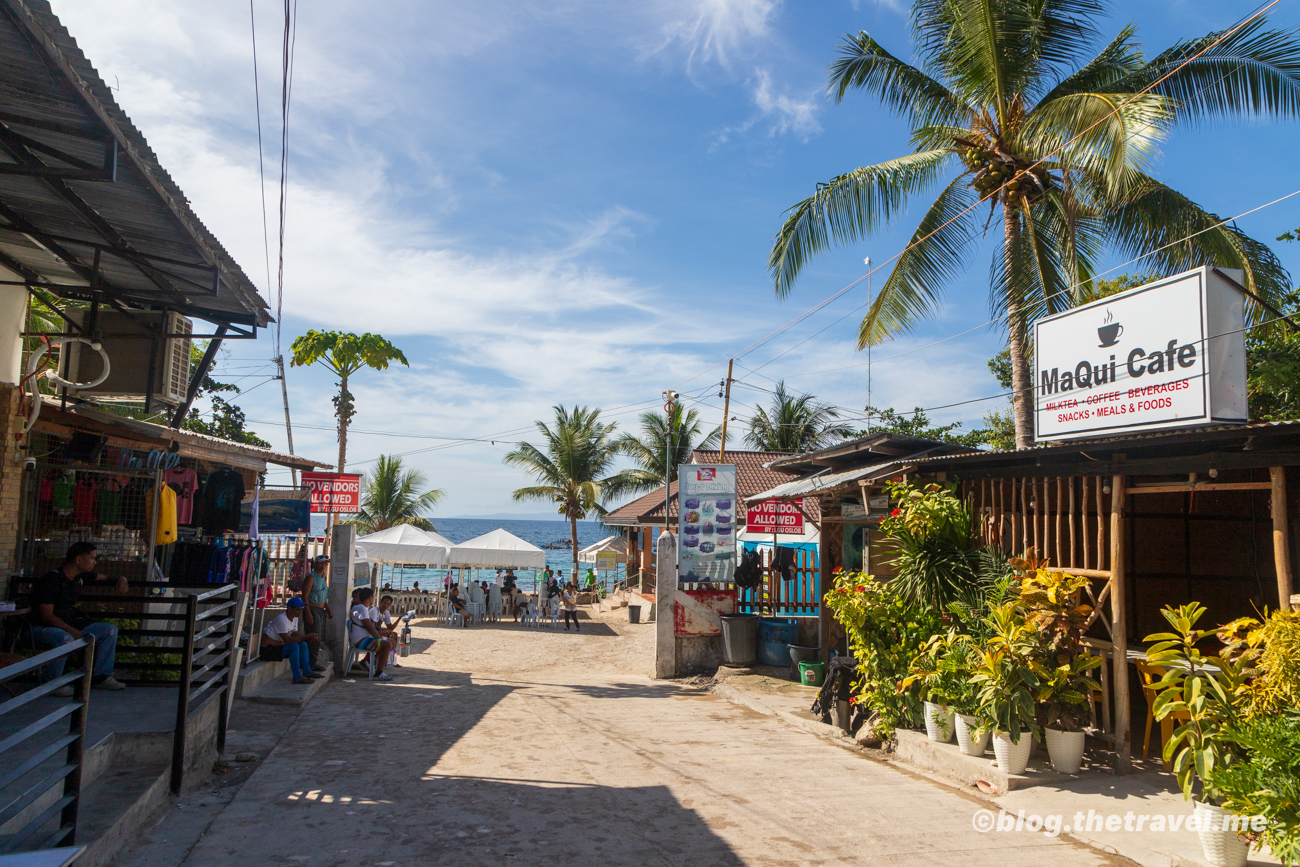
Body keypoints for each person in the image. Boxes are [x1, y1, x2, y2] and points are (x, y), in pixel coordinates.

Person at [30, 541, 129, 694]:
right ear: (79, 560)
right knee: (65, 638)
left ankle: (101, 677)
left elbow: (106, 578)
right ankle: (51, 683)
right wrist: (73, 632)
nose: (95, 562)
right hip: (42, 628)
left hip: (71, 623)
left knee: (109, 630)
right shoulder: (52, 580)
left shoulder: (80, 576)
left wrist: (121, 578)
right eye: (92, 558)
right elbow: (46, 616)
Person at [260, 598, 322, 684]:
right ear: (289, 609)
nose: (299, 611)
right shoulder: (281, 620)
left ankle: (307, 671)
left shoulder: (294, 618)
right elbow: (288, 640)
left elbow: (296, 635)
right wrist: (307, 636)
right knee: (294, 646)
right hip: (268, 650)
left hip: (278, 646)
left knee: (303, 644)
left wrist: (307, 638)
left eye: (301, 609)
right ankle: (297, 677)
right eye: (297, 609)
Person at [350, 588, 394, 681]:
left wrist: (380, 636)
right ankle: (378, 672)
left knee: (391, 642)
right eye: (372, 597)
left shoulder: (361, 608)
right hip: (360, 640)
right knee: (387, 644)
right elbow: (370, 627)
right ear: (369, 597)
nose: (373, 599)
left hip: (363, 638)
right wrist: (379, 638)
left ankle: (373, 663)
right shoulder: (361, 608)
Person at [299, 554, 332, 673]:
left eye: (325, 563)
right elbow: (305, 597)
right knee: (313, 637)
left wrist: (328, 609)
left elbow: (323, 596)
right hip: (312, 610)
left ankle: (312, 661)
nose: (323, 565)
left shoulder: (323, 577)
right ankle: (311, 663)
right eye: (321, 563)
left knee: (317, 638)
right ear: (315, 564)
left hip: (320, 610)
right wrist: (308, 613)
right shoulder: (311, 578)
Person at [369, 594, 400, 667]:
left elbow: (390, 627)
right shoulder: (374, 611)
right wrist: (384, 630)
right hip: (372, 632)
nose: (385, 605)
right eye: (384, 603)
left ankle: (390, 659)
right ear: (380, 602)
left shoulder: (386, 613)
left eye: (388, 604)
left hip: (378, 631)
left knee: (394, 634)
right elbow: (373, 627)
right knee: (389, 639)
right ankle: (377, 659)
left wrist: (399, 618)